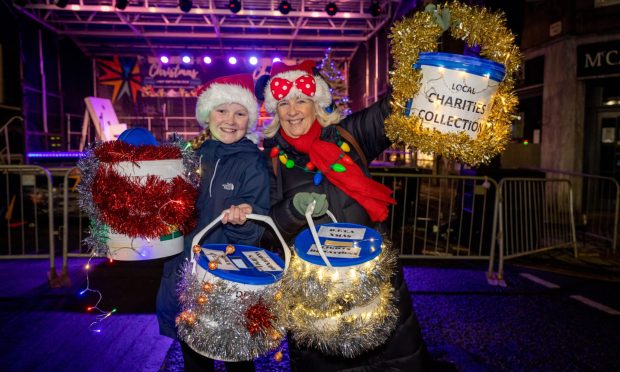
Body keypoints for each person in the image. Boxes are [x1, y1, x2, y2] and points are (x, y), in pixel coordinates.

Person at [260, 60, 429, 371]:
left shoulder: (348, 137)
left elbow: (393, 109)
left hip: (374, 282)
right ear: (275, 110)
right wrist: (292, 211)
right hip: (316, 296)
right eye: (284, 102)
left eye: (301, 99)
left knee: (394, 361)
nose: (293, 110)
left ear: (317, 104)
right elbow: (266, 233)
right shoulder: (269, 161)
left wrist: (418, 56)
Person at [156, 73, 269, 372]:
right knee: (195, 357)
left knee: (238, 358)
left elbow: (254, 231)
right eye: (222, 110)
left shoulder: (253, 163)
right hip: (187, 273)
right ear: (208, 114)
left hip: (229, 278)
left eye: (240, 113)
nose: (230, 120)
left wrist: (244, 217)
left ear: (250, 120)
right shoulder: (191, 158)